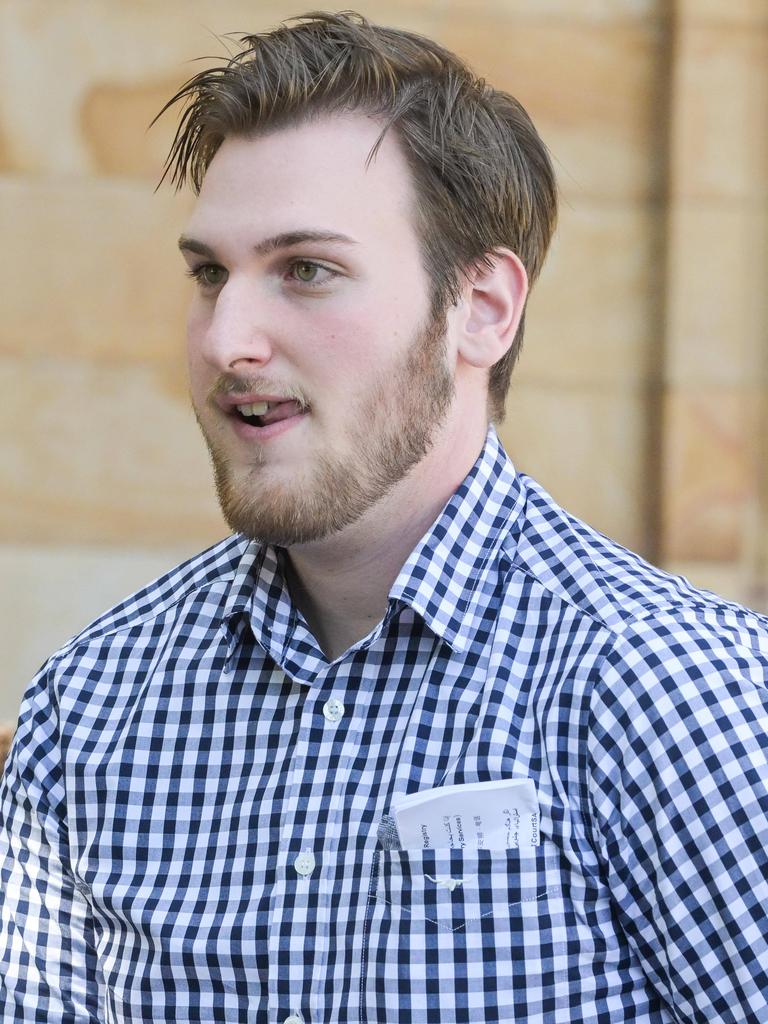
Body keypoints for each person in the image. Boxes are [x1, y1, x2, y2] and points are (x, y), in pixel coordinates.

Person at [1, 10, 767, 1023]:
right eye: (209, 274)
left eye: (306, 269)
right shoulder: (89, 711)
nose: (228, 337)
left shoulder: (672, 692)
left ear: (483, 308)